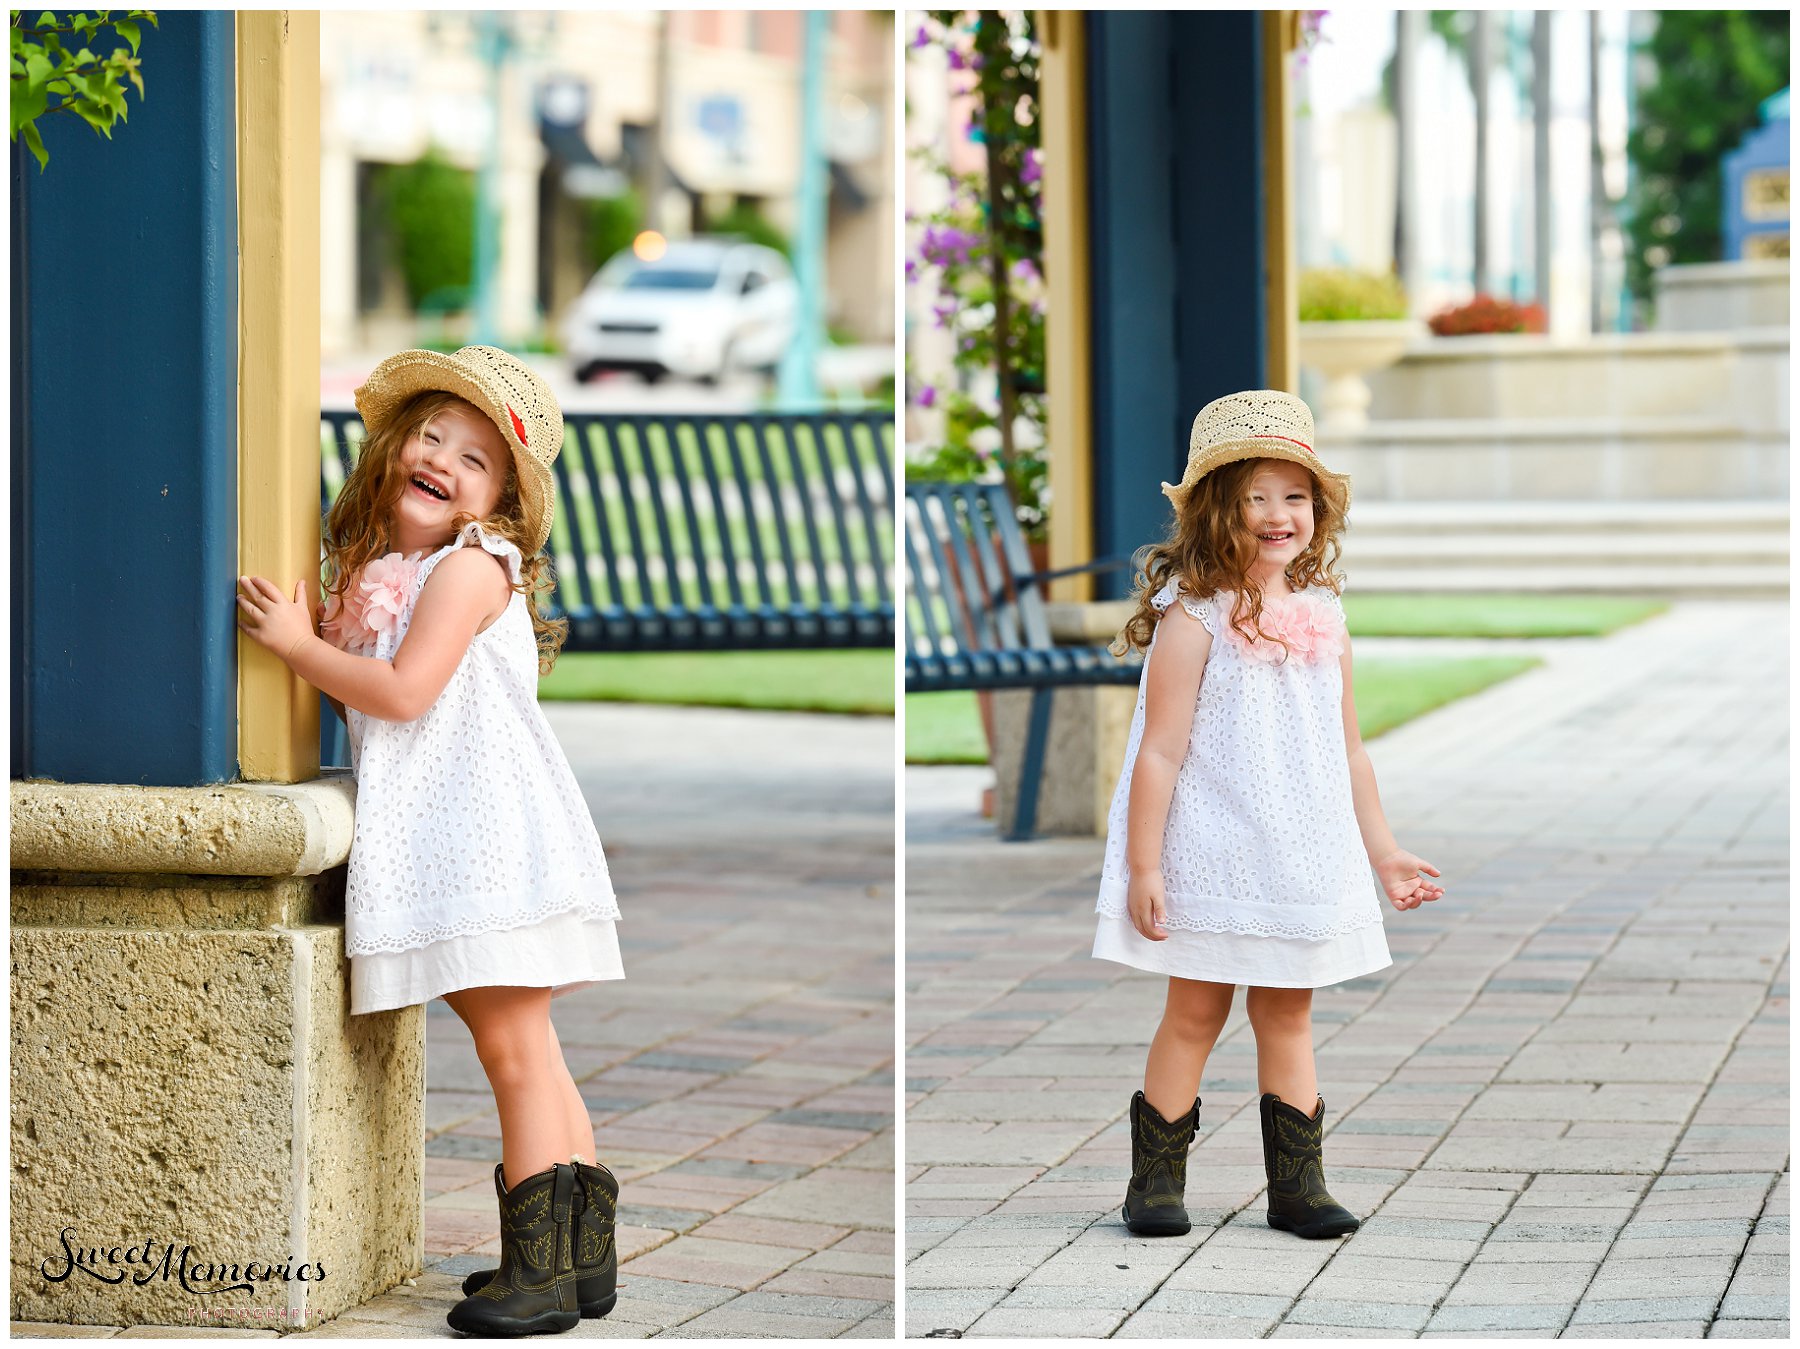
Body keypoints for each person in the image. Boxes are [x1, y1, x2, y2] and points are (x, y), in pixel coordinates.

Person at [236, 345, 621, 1336]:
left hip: (483, 834)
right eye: (433, 434)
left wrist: (296, 645)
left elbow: (405, 692)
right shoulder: (396, 566)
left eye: (478, 457)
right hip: (463, 832)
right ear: (398, 447)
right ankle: (579, 1258)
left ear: (498, 504)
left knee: (513, 1046)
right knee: (530, 1044)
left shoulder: (469, 569)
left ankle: (537, 1277)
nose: (445, 457)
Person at [1094, 389, 1444, 1242]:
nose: (1278, 513)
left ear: (1316, 512)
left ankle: (1298, 1185)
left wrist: (1385, 851)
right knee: (1195, 1011)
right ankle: (1156, 1182)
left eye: (1295, 495)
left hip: (1299, 854)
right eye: (1256, 495)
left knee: (1289, 1012)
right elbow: (1160, 753)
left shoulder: (1325, 616)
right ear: (1219, 509)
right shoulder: (1195, 618)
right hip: (1212, 850)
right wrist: (1146, 865)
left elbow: (1349, 749)